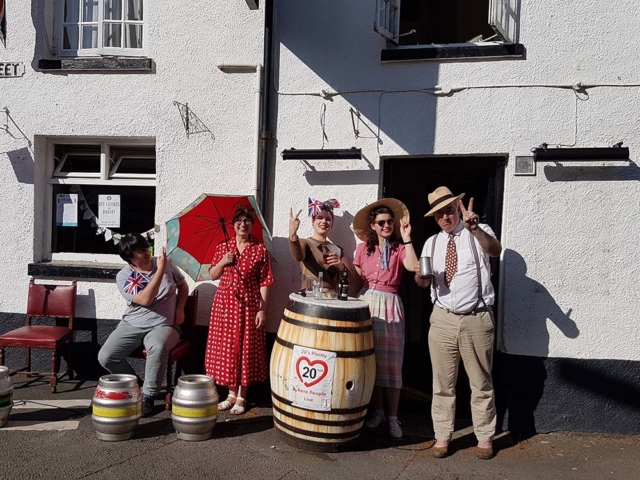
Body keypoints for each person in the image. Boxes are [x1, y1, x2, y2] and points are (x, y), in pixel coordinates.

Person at [414, 186, 502, 460]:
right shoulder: (431, 243)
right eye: (439, 214)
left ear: (457, 209)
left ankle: (485, 437)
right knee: (442, 383)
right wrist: (422, 277)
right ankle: (442, 436)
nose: (445, 218)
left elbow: (496, 250)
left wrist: (475, 229)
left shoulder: (477, 231)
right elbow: (422, 283)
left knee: (481, 383)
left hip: (477, 317)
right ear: (435, 218)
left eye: (449, 211)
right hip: (442, 319)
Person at [98, 234, 188, 417]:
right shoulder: (124, 276)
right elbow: (146, 299)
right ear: (130, 255)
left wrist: (180, 309)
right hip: (132, 323)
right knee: (106, 356)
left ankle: (148, 396)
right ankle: (135, 386)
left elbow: (183, 285)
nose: (147, 252)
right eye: (140, 251)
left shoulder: (165, 264)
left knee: (157, 347)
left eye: (147, 248)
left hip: (164, 324)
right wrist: (160, 272)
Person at [352, 198, 418, 440]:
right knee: (372, 362)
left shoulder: (400, 249)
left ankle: (393, 417)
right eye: (381, 222)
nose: (386, 225)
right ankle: (378, 412)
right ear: (373, 225)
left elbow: (412, 266)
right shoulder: (363, 249)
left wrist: (406, 236)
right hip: (367, 302)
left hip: (390, 304)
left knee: (391, 364)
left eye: (390, 221)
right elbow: (358, 280)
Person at [205, 205, 274, 415]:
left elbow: (265, 281)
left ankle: (243, 396)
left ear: (252, 225)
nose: (243, 224)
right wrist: (224, 261)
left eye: (247, 221)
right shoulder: (223, 247)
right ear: (233, 224)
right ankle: (231, 394)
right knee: (227, 350)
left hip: (249, 304)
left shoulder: (259, 249)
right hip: (225, 305)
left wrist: (262, 310)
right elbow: (212, 274)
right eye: (239, 221)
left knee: (246, 348)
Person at [289, 198, 357, 292]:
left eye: (328, 219)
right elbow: (298, 256)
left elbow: (351, 280)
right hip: (309, 298)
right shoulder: (305, 243)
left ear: (332, 224)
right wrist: (292, 235)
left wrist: (340, 266)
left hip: (330, 299)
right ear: (312, 221)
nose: (324, 221)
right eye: (320, 218)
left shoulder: (337, 249)